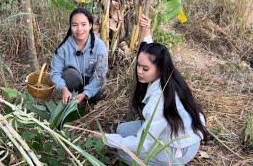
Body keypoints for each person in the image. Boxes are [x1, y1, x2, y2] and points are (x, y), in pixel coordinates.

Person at [92, 15, 207, 165]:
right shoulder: (166, 74)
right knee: (122, 130)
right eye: (138, 65)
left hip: (179, 148)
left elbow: (143, 144)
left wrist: (105, 138)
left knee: (124, 154)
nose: (139, 71)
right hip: (173, 131)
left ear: (160, 69)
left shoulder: (158, 102)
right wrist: (146, 31)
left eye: (145, 68)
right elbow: (148, 51)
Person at [50, 8, 108, 105]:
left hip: (92, 85)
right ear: (70, 26)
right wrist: (63, 89)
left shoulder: (99, 46)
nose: (79, 29)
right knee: (70, 73)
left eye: (84, 24)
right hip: (73, 85)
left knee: (98, 91)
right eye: (75, 25)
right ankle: (72, 98)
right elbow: (54, 73)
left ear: (90, 25)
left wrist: (86, 93)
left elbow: (100, 76)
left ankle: (86, 99)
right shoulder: (63, 48)